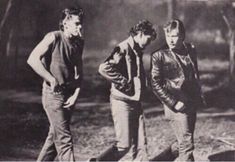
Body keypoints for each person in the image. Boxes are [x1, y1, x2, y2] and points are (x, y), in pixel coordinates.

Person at [89, 20, 156, 162]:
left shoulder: (138, 49)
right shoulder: (123, 48)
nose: (149, 43)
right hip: (122, 102)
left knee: (141, 146)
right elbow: (104, 68)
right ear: (141, 33)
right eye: (148, 39)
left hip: (135, 102)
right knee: (123, 145)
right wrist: (124, 83)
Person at [27, 6, 84, 162]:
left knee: (54, 139)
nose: (80, 27)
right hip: (53, 96)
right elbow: (32, 59)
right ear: (65, 23)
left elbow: (79, 72)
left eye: (81, 24)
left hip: (69, 96)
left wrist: (75, 95)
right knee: (64, 140)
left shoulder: (79, 42)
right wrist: (50, 79)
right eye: (77, 23)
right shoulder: (54, 37)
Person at [151, 19, 205, 162]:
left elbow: (194, 74)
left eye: (174, 36)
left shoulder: (191, 49)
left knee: (181, 142)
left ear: (182, 36)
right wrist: (174, 103)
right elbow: (155, 84)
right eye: (168, 36)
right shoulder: (159, 55)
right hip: (175, 105)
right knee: (187, 144)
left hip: (190, 102)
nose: (171, 40)